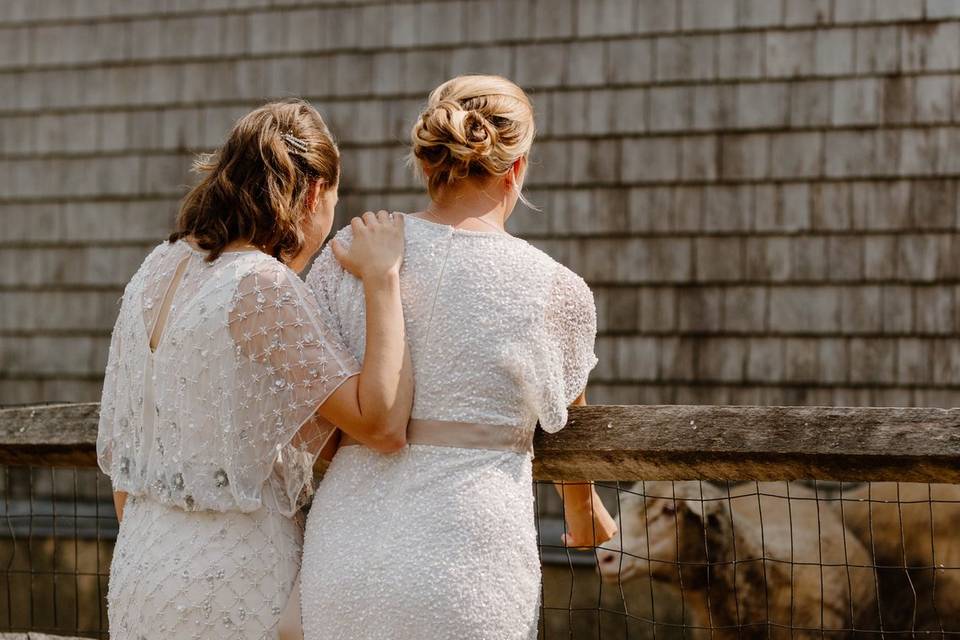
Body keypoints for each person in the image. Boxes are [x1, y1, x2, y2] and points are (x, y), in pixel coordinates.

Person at [300, 75, 617, 640]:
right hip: (469, 555)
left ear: (428, 163)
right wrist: (584, 514)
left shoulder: (349, 253)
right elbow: (568, 410)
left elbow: (316, 416)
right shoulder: (556, 289)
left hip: (346, 546)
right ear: (516, 170)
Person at [96, 99, 413, 639]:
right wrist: (384, 278)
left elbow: (127, 460)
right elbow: (379, 424)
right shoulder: (260, 285)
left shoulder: (157, 268)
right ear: (313, 194)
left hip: (140, 565)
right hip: (235, 575)